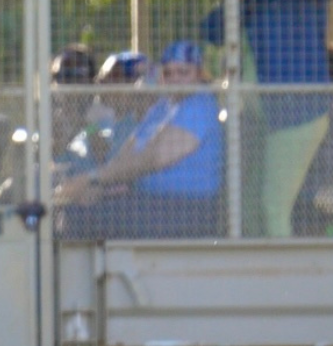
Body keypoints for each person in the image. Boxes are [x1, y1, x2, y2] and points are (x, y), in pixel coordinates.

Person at [202, 0, 333, 236]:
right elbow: (211, 31)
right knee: (247, 205)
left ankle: (283, 280)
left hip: (297, 114)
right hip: (258, 118)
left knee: (272, 206)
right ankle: (253, 275)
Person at [53, 40, 224, 239]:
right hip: (149, 201)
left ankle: (81, 271)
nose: (175, 79)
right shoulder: (164, 105)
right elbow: (128, 151)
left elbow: (153, 158)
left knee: (80, 217)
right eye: (169, 73)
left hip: (186, 208)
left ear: (199, 74)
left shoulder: (199, 105)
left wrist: (93, 179)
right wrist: (97, 187)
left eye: (183, 72)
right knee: (71, 207)